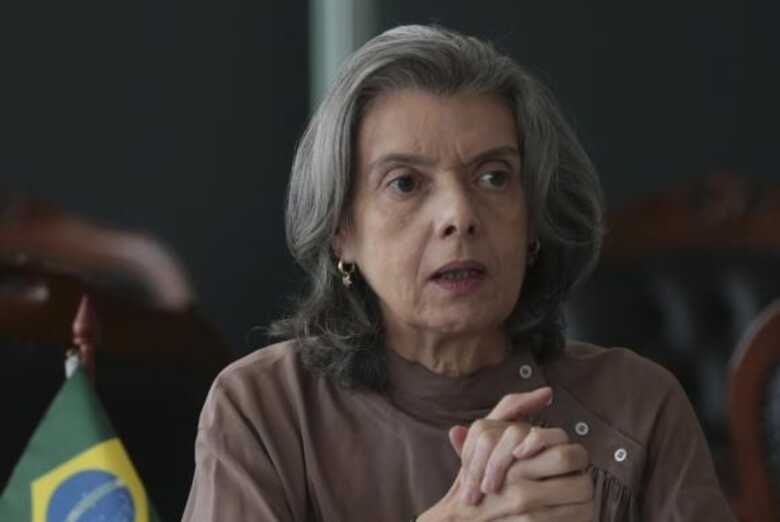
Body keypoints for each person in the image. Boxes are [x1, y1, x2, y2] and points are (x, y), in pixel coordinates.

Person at [182, 25, 736, 521]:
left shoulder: (639, 405)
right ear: (341, 231)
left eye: (494, 177)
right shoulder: (263, 407)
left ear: (532, 219)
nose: (460, 215)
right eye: (405, 183)